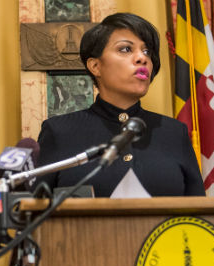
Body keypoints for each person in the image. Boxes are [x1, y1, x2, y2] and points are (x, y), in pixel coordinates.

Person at [37, 13, 205, 197]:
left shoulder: (174, 132)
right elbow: (36, 213)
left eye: (147, 51)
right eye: (125, 49)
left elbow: (198, 216)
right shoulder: (60, 131)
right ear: (95, 66)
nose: (142, 58)